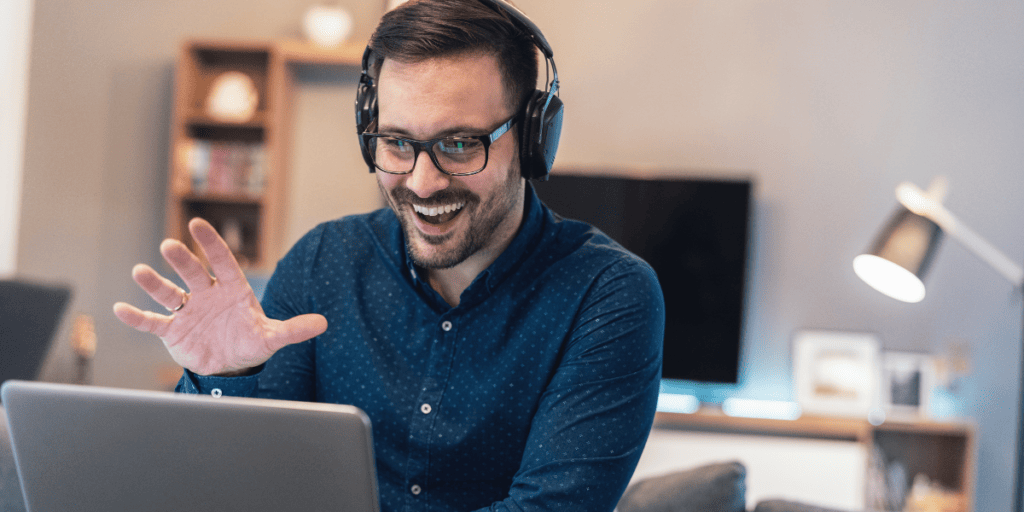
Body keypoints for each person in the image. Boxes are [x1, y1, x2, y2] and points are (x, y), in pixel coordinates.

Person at [114, 0, 664, 510]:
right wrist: (228, 377)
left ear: (531, 139)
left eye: (459, 144)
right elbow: (247, 486)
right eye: (398, 142)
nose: (422, 184)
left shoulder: (608, 295)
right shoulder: (321, 262)